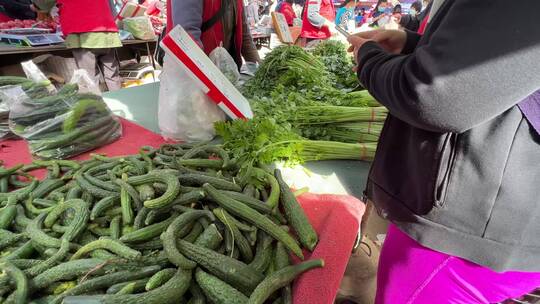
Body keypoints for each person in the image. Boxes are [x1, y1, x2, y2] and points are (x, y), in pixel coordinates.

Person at [347, 0, 540, 303]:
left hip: (466, 231)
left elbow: (432, 95)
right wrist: (415, 45)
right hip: (490, 220)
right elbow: (493, 64)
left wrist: (368, 60)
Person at [48, 0, 122, 91]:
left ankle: (98, 104)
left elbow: (44, 4)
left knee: (89, 79)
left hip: (83, 34)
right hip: (107, 33)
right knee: (112, 76)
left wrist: (40, 7)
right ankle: (117, 100)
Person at [168, 0, 261, 69]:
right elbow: (187, 39)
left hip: (226, 75)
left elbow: (245, 37)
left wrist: (262, 72)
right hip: (196, 78)